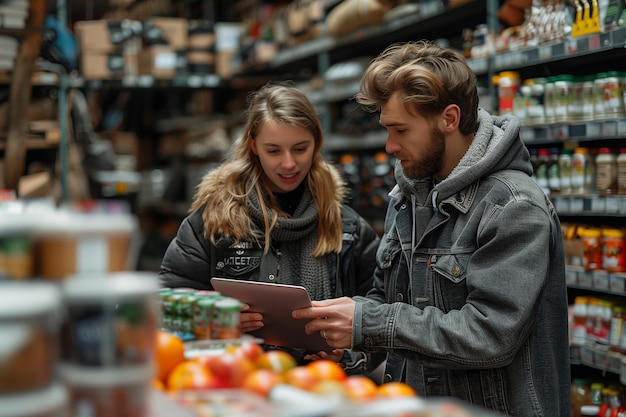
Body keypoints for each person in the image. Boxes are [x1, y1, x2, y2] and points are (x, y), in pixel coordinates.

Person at [293, 40, 570, 416]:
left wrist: (367, 323)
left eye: (401, 130)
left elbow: (489, 335)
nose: (390, 146)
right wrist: (347, 337)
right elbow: (388, 300)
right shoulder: (408, 195)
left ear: (450, 119)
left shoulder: (513, 207)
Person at [159, 82, 381, 371]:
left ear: (316, 142)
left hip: (325, 385)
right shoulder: (214, 222)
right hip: (238, 382)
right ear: (254, 146)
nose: (288, 164)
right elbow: (166, 305)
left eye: (300, 149)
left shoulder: (346, 226)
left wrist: (348, 353)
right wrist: (214, 322)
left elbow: (380, 310)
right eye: (274, 150)